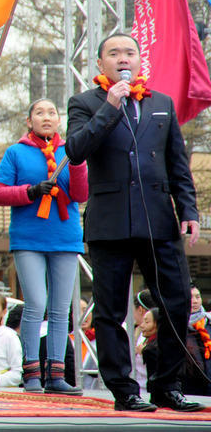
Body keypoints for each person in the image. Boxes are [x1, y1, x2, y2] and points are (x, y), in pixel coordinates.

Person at [65, 32, 203, 412]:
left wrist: (188, 210)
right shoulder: (85, 103)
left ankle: (167, 385)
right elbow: (75, 150)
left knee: (176, 301)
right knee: (110, 310)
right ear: (100, 63)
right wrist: (110, 106)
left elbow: (177, 162)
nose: (123, 58)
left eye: (129, 52)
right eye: (114, 53)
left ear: (140, 60)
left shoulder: (161, 103)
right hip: (110, 221)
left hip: (158, 219)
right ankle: (124, 390)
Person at [0, 98, 87, 395]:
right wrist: (30, 191)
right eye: (39, 112)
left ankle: (56, 375)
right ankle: (31, 373)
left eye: (52, 112)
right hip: (29, 238)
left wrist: (79, 162)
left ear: (59, 120)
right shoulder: (16, 152)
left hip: (65, 237)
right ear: (29, 120)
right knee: (36, 303)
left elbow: (81, 194)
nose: (46, 117)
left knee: (60, 309)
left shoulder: (71, 153)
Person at [181, 285, 211, 396]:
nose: (195, 301)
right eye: (190, 298)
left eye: (198, 297)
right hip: (188, 386)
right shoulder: (176, 326)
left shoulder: (208, 322)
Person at [138, 308, 160, 387]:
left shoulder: (153, 349)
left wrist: (144, 351)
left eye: (147, 322)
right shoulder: (148, 343)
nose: (142, 325)